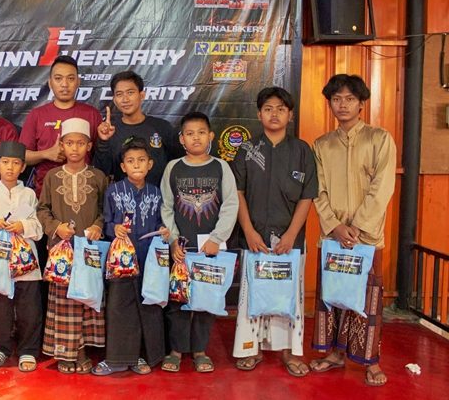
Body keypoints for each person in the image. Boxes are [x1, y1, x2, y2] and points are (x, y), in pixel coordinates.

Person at [309, 74, 396, 387]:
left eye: (349, 99)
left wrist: (357, 227)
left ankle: (370, 361)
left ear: (361, 104)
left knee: (366, 300)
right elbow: (317, 190)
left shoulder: (379, 139)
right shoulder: (322, 145)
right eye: (336, 99)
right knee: (333, 297)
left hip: (365, 238)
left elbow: (382, 187)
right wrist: (334, 226)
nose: (342, 105)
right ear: (330, 103)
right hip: (333, 237)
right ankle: (335, 354)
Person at [230, 87, 318, 377]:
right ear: (259, 114)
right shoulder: (247, 149)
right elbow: (237, 193)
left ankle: (289, 352)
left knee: (288, 295)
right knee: (251, 295)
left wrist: (291, 235)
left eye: (281, 108)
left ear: (290, 115)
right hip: (254, 238)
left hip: (290, 241)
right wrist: (248, 230)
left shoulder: (302, 150)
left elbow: (307, 196)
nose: (275, 114)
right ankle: (250, 348)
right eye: (268, 108)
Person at [160, 111, 238, 373]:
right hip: (181, 250)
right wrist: (173, 241)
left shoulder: (221, 167)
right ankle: (176, 350)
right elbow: (166, 207)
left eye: (201, 132)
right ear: (181, 139)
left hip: (209, 250)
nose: (196, 138)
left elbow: (230, 204)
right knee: (178, 300)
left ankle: (200, 350)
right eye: (190, 133)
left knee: (206, 299)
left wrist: (217, 238)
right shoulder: (173, 167)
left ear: (211, 136)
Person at [37, 118, 109, 374]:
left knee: (86, 298)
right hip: (62, 250)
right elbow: (42, 209)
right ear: (62, 145)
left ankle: (82, 351)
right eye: (69, 143)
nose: (75, 148)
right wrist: (56, 227)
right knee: (64, 301)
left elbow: (105, 210)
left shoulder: (98, 177)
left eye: (80, 143)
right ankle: (67, 352)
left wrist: (98, 226)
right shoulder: (52, 177)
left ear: (89, 146)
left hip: (88, 249)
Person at [92, 137, 169, 376]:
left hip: (148, 259)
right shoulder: (114, 191)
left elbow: (160, 222)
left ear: (150, 164)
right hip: (121, 260)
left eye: (141, 160)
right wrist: (114, 228)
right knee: (119, 307)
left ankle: (143, 357)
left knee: (148, 306)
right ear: (123, 166)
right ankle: (116, 359)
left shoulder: (156, 193)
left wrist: (164, 230)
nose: (136, 165)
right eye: (131, 161)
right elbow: (106, 222)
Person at [0, 141, 44, 372]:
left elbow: (39, 227)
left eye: (15, 163)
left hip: (26, 261)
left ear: (22, 167)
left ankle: (28, 350)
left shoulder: (29, 194)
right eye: (5, 162)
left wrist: (23, 226)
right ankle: (1, 347)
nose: (10, 168)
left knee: (29, 308)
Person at [19, 55, 101, 198]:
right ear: (50, 83)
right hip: (45, 193)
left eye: (70, 78)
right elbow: (21, 155)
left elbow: (101, 156)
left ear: (78, 82)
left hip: (84, 192)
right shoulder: (37, 115)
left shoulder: (91, 114)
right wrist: (46, 154)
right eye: (58, 78)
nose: (64, 84)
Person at [94, 71, 181, 186]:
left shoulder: (162, 127)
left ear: (142, 95)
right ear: (114, 100)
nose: (125, 99)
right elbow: (101, 172)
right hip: (122, 196)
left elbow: (180, 165)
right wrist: (103, 141)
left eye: (130, 92)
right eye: (119, 94)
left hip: (159, 196)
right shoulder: (110, 131)